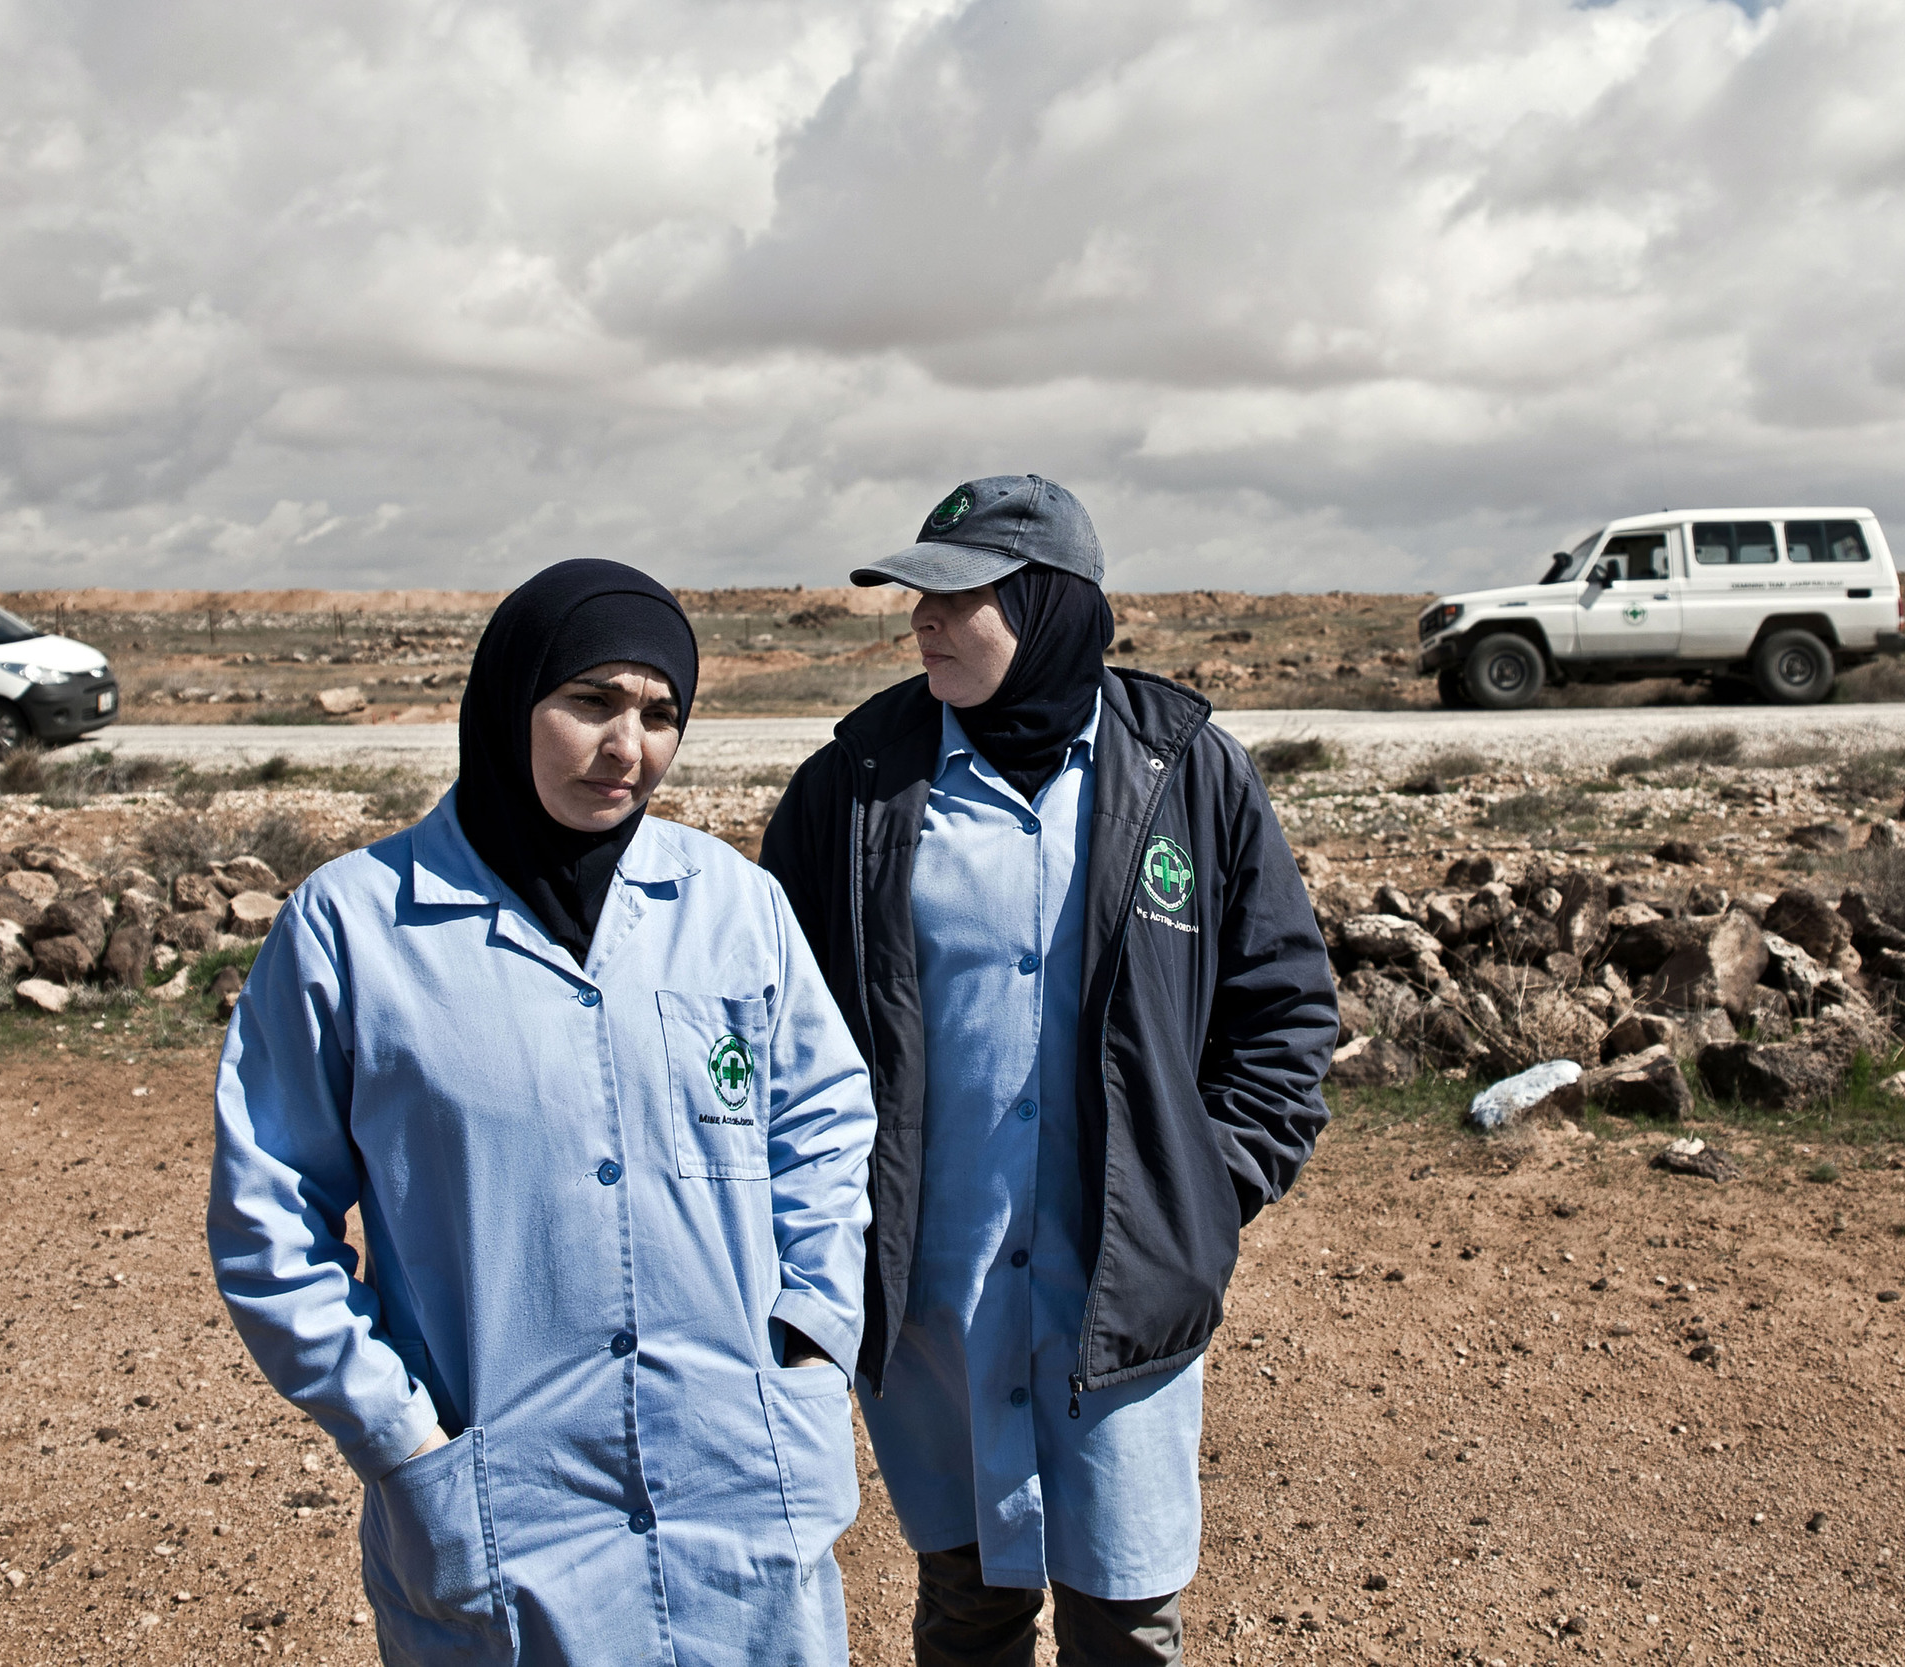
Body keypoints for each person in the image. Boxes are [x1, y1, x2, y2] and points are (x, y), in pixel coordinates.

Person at [210, 559, 877, 1666]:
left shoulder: (733, 906)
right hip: (500, 1502)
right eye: (591, 701)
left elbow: (823, 1126)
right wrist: (401, 1432)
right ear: (508, 698)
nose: (629, 747)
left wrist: (811, 1337)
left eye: (662, 713)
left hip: (741, 1476)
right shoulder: (353, 930)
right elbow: (268, 1220)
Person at [761, 476, 1337, 1665]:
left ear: (1046, 602)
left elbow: (1283, 1012)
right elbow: (783, 1031)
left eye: (954, 594)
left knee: (1125, 1617)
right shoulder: (855, 788)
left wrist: (1199, 1190)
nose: (920, 619)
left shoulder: (1189, 773)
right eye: (913, 593)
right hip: (937, 1299)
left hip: (1115, 1296)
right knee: (967, 1604)